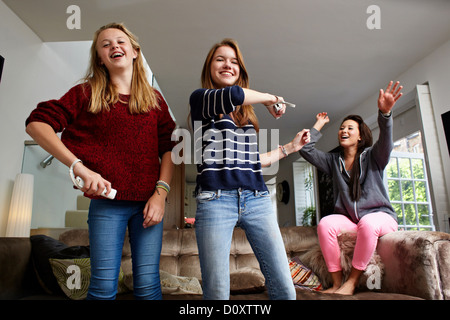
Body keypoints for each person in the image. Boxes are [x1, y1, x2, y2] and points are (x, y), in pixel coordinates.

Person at [25, 23, 176, 300]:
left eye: (120, 42)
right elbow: (37, 124)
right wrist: (78, 167)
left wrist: (161, 193)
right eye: (105, 45)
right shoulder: (86, 93)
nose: (114, 47)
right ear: (99, 58)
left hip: (148, 205)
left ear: (134, 52)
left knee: (148, 287)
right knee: (103, 288)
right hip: (106, 205)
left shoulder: (155, 101)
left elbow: (169, 148)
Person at [189, 38, 310, 300]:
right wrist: (272, 99)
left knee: (285, 289)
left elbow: (252, 160)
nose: (227, 65)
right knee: (218, 292)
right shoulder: (200, 101)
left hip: (257, 199)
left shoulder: (245, 117)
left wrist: (289, 147)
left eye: (234, 62)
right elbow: (234, 95)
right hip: (215, 200)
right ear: (210, 67)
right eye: (220, 59)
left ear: (240, 71)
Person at [299, 81, 403, 295]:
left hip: (380, 217)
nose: (343, 130)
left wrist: (385, 114)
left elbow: (386, 142)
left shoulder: (374, 156)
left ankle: (352, 282)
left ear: (360, 136)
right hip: (351, 220)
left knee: (367, 222)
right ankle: (337, 283)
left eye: (349, 128)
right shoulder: (332, 161)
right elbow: (306, 149)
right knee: (326, 223)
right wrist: (318, 125)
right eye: (341, 128)